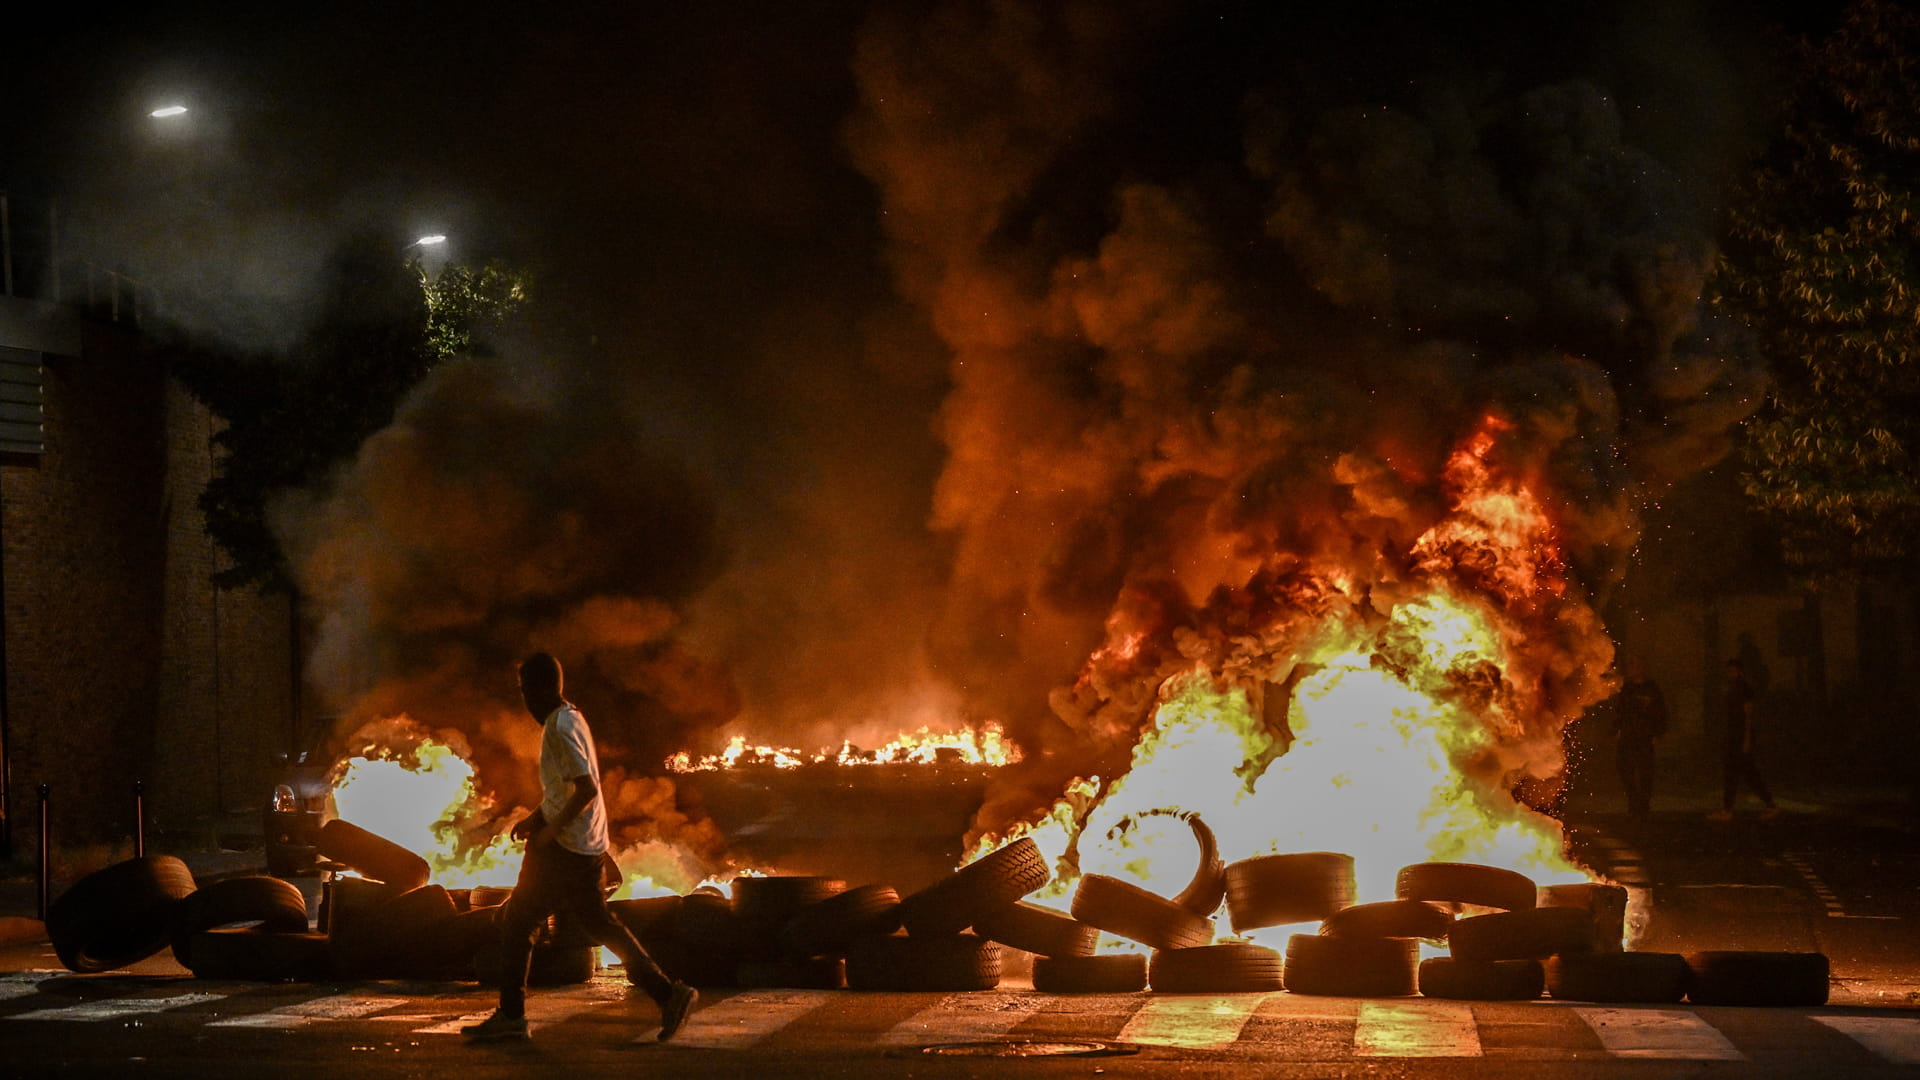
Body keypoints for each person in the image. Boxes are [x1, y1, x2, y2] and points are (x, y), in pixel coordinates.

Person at [464, 652, 698, 1043]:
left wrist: (549, 832)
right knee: (598, 924)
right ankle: (668, 993)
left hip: (565, 847)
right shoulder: (572, 717)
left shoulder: (559, 727)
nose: (524, 701)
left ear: (539, 690)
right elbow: (564, 788)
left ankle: (511, 1016)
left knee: (518, 922)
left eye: (525, 691)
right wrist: (536, 819)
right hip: (585, 843)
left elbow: (586, 789)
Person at [1710, 656, 1779, 822]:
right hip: (1735, 736)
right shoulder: (1733, 688)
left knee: (1742, 773)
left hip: (1740, 737)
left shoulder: (1744, 689)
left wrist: (1746, 739)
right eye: (1729, 670)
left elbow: (1749, 715)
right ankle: (1765, 805)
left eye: (1733, 670)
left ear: (1739, 671)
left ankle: (1731, 809)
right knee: (1742, 773)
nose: (1730, 673)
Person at [1612, 656, 1666, 821]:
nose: (1632, 669)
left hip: (1645, 736)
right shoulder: (1626, 688)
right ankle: (1633, 804)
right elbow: (1619, 710)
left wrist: (1658, 733)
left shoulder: (1652, 688)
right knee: (1625, 771)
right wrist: (1617, 729)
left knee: (1645, 773)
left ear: (1642, 668)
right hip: (1628, 735)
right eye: (1631, 665)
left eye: (1635, 665)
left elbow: (1660, 711)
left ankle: (1643, 807)